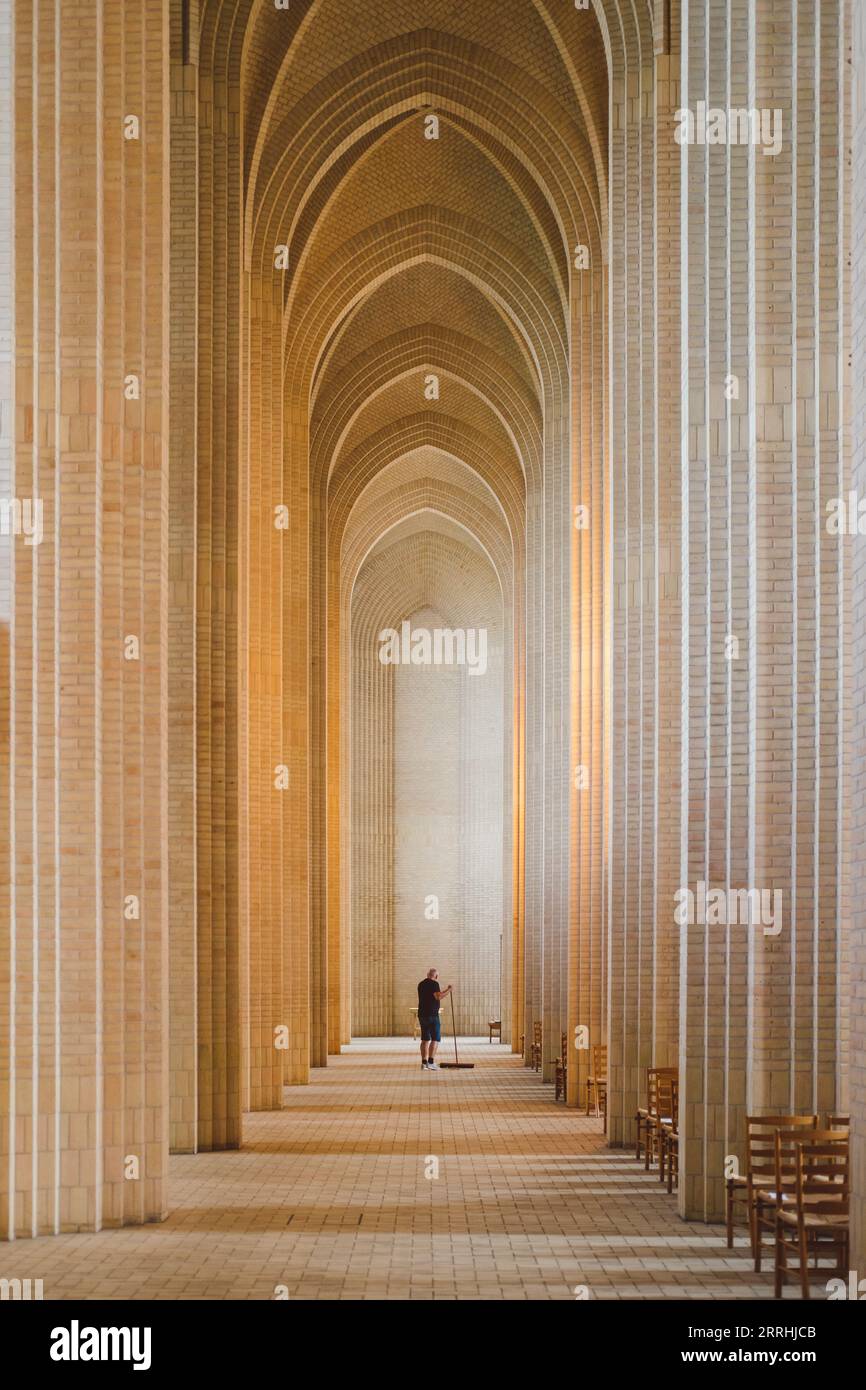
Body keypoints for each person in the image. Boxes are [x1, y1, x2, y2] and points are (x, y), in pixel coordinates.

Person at [417, 969, 452, 1070]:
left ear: (427, 975)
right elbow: (438, 996)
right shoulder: (434, 984)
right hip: (432, 1014)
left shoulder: (421, 984)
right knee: (435, 1038)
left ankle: (424, 1063)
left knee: (425, 1039)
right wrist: (449, 990)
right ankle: (431, 1062)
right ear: (436, 976)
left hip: (422, 1014)